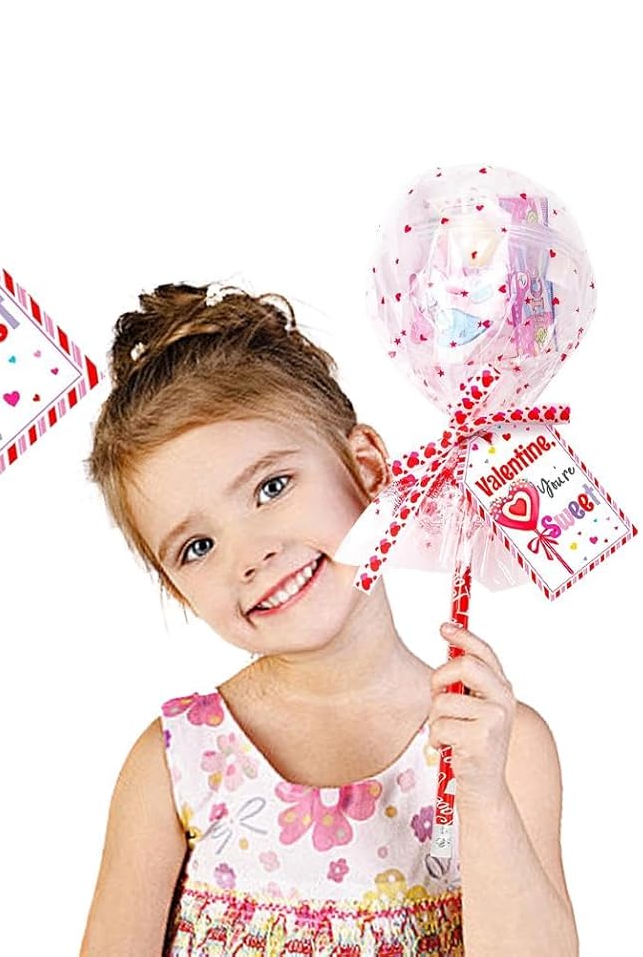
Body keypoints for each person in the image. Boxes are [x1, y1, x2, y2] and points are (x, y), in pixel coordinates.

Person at [79, 283, 576, 956]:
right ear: (178, 589)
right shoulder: (176, 765)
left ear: (367, 469)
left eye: (271, 487)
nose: (250, 555)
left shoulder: (500, 744)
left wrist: (483, 798)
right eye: (198, 547)